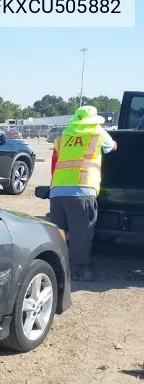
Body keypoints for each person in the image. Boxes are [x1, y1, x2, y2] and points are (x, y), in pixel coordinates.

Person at [49, 105, 117, 281]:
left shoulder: (64, 135)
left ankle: (56, 269)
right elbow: (112, 147)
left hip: (57, 190)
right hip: (82, 188)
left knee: (58, 233)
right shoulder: (97, 133)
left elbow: (56, 155)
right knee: (81, 232)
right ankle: (79, 270)